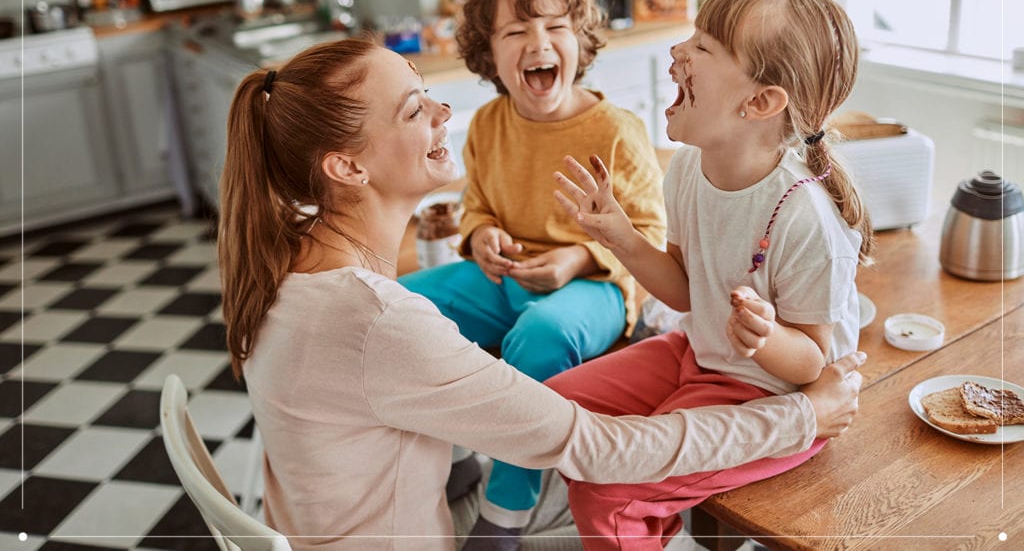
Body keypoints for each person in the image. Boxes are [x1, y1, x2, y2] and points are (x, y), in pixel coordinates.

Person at [218, 36, 866, 550]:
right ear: (348, 167)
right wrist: (804, 415)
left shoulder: (286, 255)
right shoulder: (381, 321)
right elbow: (603, 449)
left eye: (427, 93)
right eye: (415, 109)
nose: (444, 111)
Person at [552, 0, 875, 549]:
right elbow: (682, 292)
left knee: (608, 489)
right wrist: (622, 238)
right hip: (698, 351)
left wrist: (765, 335)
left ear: (759, 102)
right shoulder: (686, 168)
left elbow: (807, 364)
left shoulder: (804, 218)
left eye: (703, 47)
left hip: (770, 393)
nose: (678, 52)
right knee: (552, 410)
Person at [398, 0, 667, 544]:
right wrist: (480, 235)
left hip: (595, 286)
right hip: (502, 278)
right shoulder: (490, 122)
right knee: (398, 309)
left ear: (581, 41)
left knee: (540, 337)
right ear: (488, 54)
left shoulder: (616, 130)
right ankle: (454, 456)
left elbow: (648, 235)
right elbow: (479, 204)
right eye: (515, 32)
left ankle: (506, 509)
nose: (538, 43)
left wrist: (576, 258)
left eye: (556, 27)